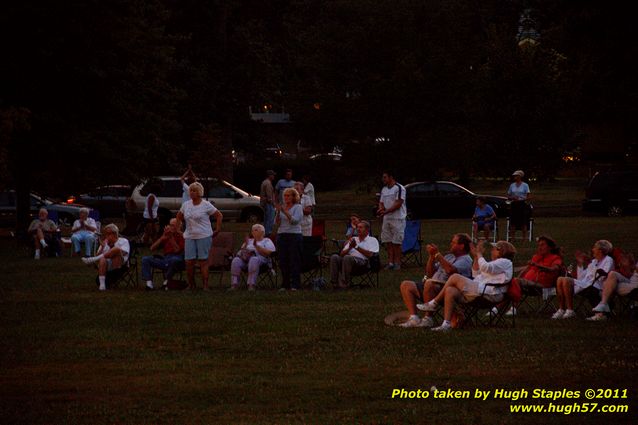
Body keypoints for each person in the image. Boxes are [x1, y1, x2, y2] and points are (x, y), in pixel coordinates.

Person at [418, 240, 517, 332]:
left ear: (502, 252)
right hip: (482, 291)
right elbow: (476, 274)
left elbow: (485, 267)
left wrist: (479, 254)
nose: (492, 250)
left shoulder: (505, 262)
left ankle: (434, 303)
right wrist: (475, 257)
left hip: (490, 294)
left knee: (455, 277)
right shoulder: (496, 264)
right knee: (450, 290)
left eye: (495, 249)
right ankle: (446, 324)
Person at [399, 233, 473, 328]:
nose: (451, 244)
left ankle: (428, 319)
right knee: (406, 285)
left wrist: (438, 255)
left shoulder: (466, 260)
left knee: (429, 283)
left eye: (453, 243)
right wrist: (431, 256)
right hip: (432, 287)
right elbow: (430, 273)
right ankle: (414, 318)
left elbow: (451, 271)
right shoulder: (449, 256)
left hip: (446, 290)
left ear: (461, 246)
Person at [176, 182, 223, 290]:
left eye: (194, 191)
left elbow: (219, 215)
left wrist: (217, 229)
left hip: (204, 235)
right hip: (189, 235)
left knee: (203, 260)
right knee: (189, 261)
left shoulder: (206, 205)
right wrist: (178, 229)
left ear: (199, 193)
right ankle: (191, 284)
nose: (192, 193)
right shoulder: (186, 204)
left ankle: (205, 285)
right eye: (191, 190)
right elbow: (179, 216)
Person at [553, 240, 614, 319]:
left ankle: (570, 310)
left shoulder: (608, 260)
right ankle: (562, 309)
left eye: (595, 247)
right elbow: (582, 277)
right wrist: (580, 264)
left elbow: (603, 276)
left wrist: (593, 268)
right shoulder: (594, 262)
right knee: (560, 279)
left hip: (597, 286)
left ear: (600, 250)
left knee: (566, 280)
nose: (593, 250)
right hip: (586, 284)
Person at [505, 235, 563, 315]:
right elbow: (526, 270)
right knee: (508, 283)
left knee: (514, 282)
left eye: (542, 245)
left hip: (543, 287)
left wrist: (538, 265)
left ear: (550, 247)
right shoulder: (536, 257)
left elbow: (554, 269)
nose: (540, 247)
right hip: (529, 285)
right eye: (539, 245)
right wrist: (517, 278)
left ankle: (512, 308)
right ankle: (498, 308)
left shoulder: (555, 258)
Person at [330, 221, 379, 289]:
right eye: (357, 227)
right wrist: (349, 247)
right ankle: (334, 283)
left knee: (347, 258)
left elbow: (370, 255)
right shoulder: (353, 239)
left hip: (363, 263)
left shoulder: (372, 240)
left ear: (367, 230)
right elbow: (341, 254)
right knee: (334, 257)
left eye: (361, 227)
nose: (358, 229)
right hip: (347, 262)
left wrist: (356, 247)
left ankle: (345, 283)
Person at [82, 224, 130, 291]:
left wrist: (112, 246)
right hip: (107, 265)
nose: (106, 236)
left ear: (115, 234)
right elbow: (98, 256)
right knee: (102, 259)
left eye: (108, 234)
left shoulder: (123, 241)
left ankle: (92, 259)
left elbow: (124, 252)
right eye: (106, 234)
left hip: (119, 263)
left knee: (117, 249)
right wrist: (102, 247)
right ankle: (102, 286)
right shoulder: (105, 243)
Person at [141, 218, 185, 290]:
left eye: (173, 225)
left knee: (174, 260)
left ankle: (166, 282)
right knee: (145, 259)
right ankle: (149, 284)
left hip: (178, 259)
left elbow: (177, 250)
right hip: (166, 259)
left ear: (179, 227)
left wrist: (171, 238)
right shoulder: (166, 235)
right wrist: (162, 238)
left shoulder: (183, 236)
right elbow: (152, 248)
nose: (171, 227)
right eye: (170, 225)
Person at [229, 224, 276, 291]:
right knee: (236, 260)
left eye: (255, 230)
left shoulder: (266, 241)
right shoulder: (249, 241)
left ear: (262, 232)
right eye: (252, 230)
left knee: (253, 260)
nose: (253, 232)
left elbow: (269, 253)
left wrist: (257, 247)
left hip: (261, 262)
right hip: (246, 261)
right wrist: (245, 245)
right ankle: (234, 284)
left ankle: (251, 285)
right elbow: (241, 252)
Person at [377, 171, 407, 270]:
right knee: (388, 241)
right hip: (387, 219)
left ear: (391, 177)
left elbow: (398, 203)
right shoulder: (384, 189)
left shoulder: (399, 188)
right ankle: (390, 263)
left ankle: (397, 263)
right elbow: (381, 202)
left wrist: (386, 211)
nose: (383, 179)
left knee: (396, 242)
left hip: (397, 219)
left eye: (385, 177)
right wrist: (381, 209)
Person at [276, 187, 303, 291]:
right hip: (282, 235)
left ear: (293, 197)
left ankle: (295, 284)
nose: (286, 198)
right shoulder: (282, 207)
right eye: (285, 196)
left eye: (288, 195)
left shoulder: (298, 207)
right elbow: (277, 223)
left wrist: (285, 212)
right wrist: (278, 212)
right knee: (283, 260)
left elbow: (295, 221)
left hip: (294, 235)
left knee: (294, 260)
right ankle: (285, 283)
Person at [507, 170, 531, 241]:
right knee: (513, 222)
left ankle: (524, 238)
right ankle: (512, 238)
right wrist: (512, 198)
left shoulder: (525, 185)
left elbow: (529, 196)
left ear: (520, 176)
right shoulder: (512, 185)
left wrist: (522, 199)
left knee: (523, 221)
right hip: (514, 204)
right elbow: (508, 195)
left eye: (516, 176)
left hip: (522, 205)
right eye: (514, 176)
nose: (515, 177)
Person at [142, 179, 163, 244]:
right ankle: (145, 243)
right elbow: (149, 208)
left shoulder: (153, 196)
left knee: (154, 231)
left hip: (153, 216)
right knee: (149, 231)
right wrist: (152, 218)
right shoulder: (151, 197)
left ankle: (154, 243)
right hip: (149, 217)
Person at [260, 170, 276, 235]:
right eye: (273, 175)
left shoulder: (264, 182)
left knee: (266, 219)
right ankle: (268, 233)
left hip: (265, 203)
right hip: (268, 204)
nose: (274, 176)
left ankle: (265, 232)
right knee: (270, 219)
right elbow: (269, 197)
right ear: (269, 176)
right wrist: (273, 204)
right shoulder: (268, 183)